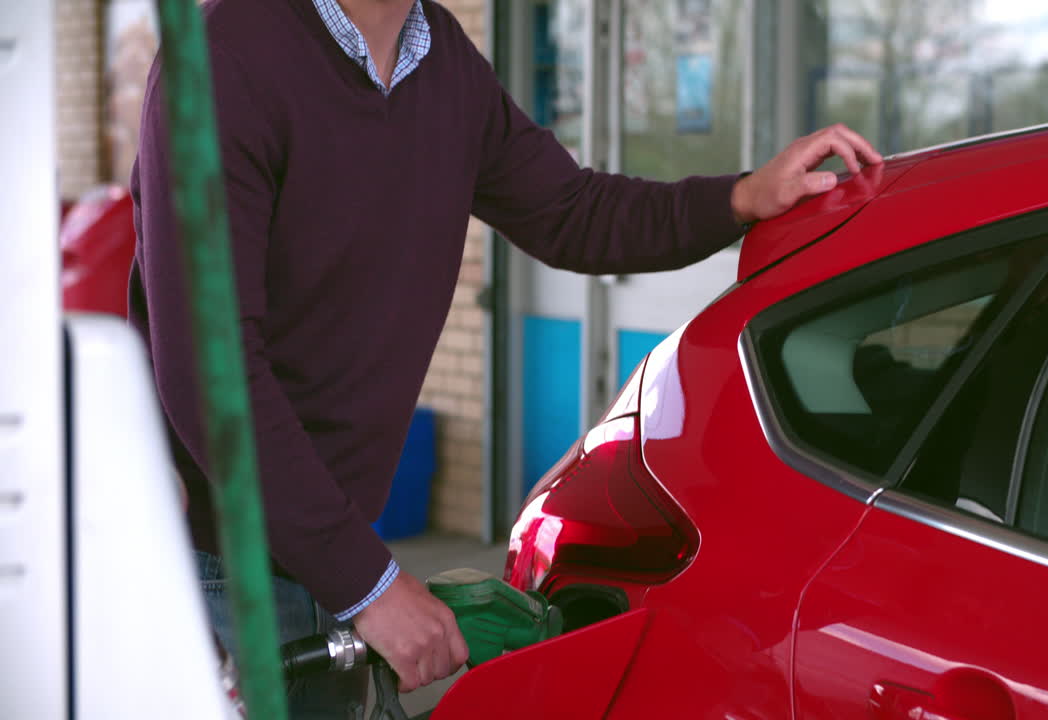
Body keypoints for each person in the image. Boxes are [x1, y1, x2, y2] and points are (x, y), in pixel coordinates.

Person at [129, 0, 881, 717]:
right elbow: (211, 373)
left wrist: (744, 197)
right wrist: (372, 587)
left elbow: (571, 212)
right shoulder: (225, 61)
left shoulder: (439, 57)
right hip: (214, 572)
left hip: (325, 557)